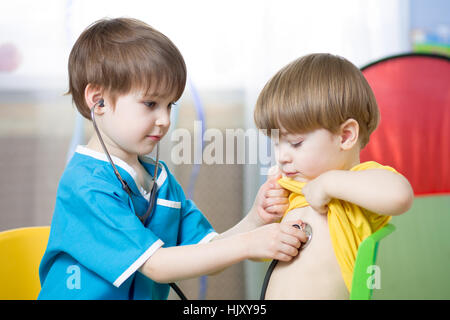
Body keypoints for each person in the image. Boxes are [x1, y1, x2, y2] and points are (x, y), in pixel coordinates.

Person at [38, 18, 307, 300]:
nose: (165, 120)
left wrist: (255, 220)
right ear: (98, 100)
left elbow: (206, 251)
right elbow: (155, 265)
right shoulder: (84, 186)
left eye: (170, 105)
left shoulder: (159, 178)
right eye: (151, 104)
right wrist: (249, 244)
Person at [254, 53, 414, 299]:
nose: (282, 156)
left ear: (345, 136)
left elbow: (400, 195)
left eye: (295, 143)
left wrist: (329, 184)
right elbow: (253, 252)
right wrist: (262, 216)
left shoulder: (357, 185)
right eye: (276, 143)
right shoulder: (290, 190)